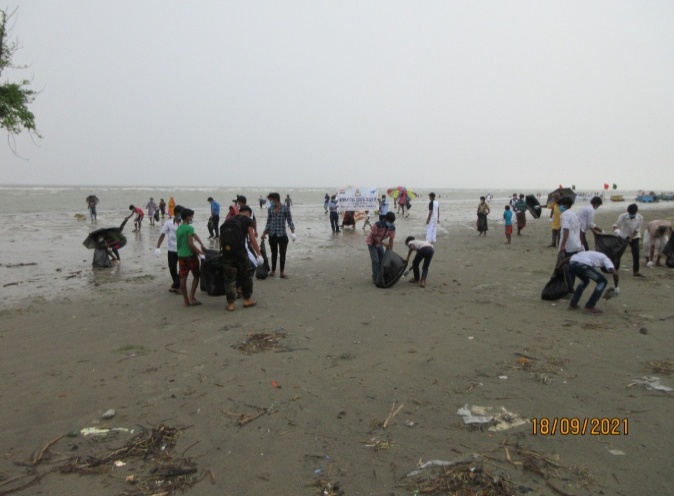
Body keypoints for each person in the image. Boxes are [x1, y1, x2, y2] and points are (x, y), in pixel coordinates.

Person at [221, 205, 264, 312]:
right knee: (246, 275)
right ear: (248, 213)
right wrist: (259, 254)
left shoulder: (229, 220)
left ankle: (231, 304)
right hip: (240, 253)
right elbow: (252, 238)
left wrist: (220, 251)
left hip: (227, 253)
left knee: (229, 279)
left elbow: (221, 237)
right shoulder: (247, 220)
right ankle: (247, 300)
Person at [175, 208, 207, 307]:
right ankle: (192, 297)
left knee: (183, 278)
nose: (192, 217)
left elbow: (193, 236)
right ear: (188, 217)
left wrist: (201, 243)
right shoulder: (189, 228)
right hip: (190, 256)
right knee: (196, 276)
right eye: (192, 216)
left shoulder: (179, 228)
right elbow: (190, 244)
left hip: (181, 256)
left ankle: (186, 301)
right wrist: (200, 253)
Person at [262, 192, 296, 279]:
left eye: (270, 200)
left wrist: (293, 232)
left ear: (275, 199)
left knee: (282, 253)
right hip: (272, 234)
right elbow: (268, 222)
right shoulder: (270, 209)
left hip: (282, 234)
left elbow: (290, 221)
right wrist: (264, 233)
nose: (270, 201)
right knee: (274, 253)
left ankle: (282, 272)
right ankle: (273, 271)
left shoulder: (285, 209)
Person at [155, 205, 183, 294]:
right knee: (172, 268)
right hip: (172, 250)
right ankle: (177, 285)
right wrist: (158, 247)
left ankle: (175, 286)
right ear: (177, 214)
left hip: (182, 250)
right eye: (181, 213)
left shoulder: (184, 223)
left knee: (183, 268)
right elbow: (162, 235)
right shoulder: (168, 223)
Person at [613, 203, 644, 277]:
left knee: (636, 253)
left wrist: (631, 238)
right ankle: (615, 269)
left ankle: (636, 271)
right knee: (618, 252)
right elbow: (616, 225)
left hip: (635, 236)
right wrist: (617, 230)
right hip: (623, 235)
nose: (631, 214)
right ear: (628, 211)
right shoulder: (623, 216)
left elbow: (637, 229)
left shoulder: (640, 218)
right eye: (630, 213)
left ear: (636, 211)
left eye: (633, 213)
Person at [365, 211, 396, 283]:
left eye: (392, 222)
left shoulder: (392, 228)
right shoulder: (377, 225)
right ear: (385, 219)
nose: (390, 223)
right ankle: (375, 277)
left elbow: (391, 239)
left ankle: (380, 275)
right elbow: (374, 236)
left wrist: (391, 250)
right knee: (375, 260)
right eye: (389, 221)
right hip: (372, 243)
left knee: (382, 260)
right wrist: (384, 244)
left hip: (379, 244)